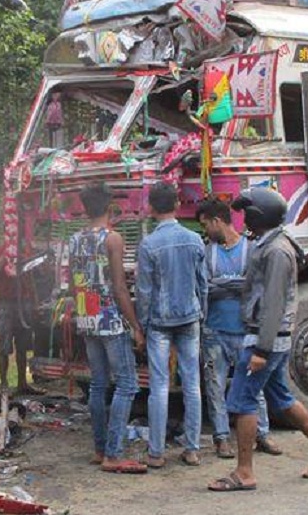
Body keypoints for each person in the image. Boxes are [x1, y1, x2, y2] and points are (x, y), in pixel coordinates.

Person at [209, 187, 308, 492]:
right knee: (281, 398)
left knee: (243, 402)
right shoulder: (269, 245)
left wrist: (261, 349)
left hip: (265, 340)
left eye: (247, 215)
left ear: (258, 217)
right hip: (269, 339)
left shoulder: (276, 252)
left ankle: (244, 472)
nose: (243, 221)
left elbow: (272, 304)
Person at [67, 183, 146, 474]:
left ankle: (100, 449)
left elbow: (75, 282)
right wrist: (135, 326)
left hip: (87, 317)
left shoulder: (74, 239)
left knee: (99, 384)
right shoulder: (112, 239)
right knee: (127, 383)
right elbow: (119, 287)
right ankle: (114, 453)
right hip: (110, 319)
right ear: (109, 206)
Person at [196, 196, 281, 459]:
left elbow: (253, 286)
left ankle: (261, 434)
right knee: (215, 387)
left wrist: (223, 286)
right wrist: (232, 286)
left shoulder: (251, 248)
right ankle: (222, 438)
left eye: (205, 225)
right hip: (214, 331)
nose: (205, 231)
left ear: (216, 221)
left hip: (245, 330)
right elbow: (204, 288)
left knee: (253, 386)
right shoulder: (206, 251)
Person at [136, 180, 207, 468]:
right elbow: (203, 284)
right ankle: (192, 449)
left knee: (160, 385)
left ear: (151, 208)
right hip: (190, 318)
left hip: (160, 322)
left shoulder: (148, 244)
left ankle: (156, 452)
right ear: (177, 205)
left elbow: (144, 292)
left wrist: (142, 324)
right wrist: (203, 313)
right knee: (192, 384)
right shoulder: (194, 239)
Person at [0, 240, 40, 393]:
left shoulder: (27, 250)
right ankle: (4, 383)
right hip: (5, 302)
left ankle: (22, 383)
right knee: (4, 344)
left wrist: (35, 302)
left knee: (23, 344)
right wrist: (7, 256)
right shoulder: (0, 249)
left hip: (24, 301)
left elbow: (31, 276)